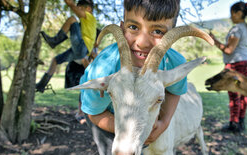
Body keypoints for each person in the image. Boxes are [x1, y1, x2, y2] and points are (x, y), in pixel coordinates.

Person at [79, 0, 186, 154]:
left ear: (171, 36)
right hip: (105, 114)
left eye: (158, 31)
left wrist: (164, 122)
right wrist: (129, 132)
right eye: (133, 27)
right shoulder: (103, 69)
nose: (142, 43)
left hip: (140, 118)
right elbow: (94, 113)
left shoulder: (174, 63)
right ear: (122, 28)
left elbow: (175, 91)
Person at [209, 1, 247, 132]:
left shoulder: (237, 29)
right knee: (243, 93)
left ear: (239, 13)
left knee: (233, 93)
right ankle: (241, 122)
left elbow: (228, 50)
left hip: (235, 63)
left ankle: (233, 123)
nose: (230, 16)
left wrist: (214, 40)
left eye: (232, 13)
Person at [36, 0, 97, 93]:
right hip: (79, 51)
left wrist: (70, 4)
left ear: (88, 9)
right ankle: (42, 85)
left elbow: (72, 5)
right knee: (55, 60)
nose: (78, 11)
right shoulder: (87, 24)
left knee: (72, 19)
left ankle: (55, 41)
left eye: (80, 9)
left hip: (82, 47)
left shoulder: (90, 17)